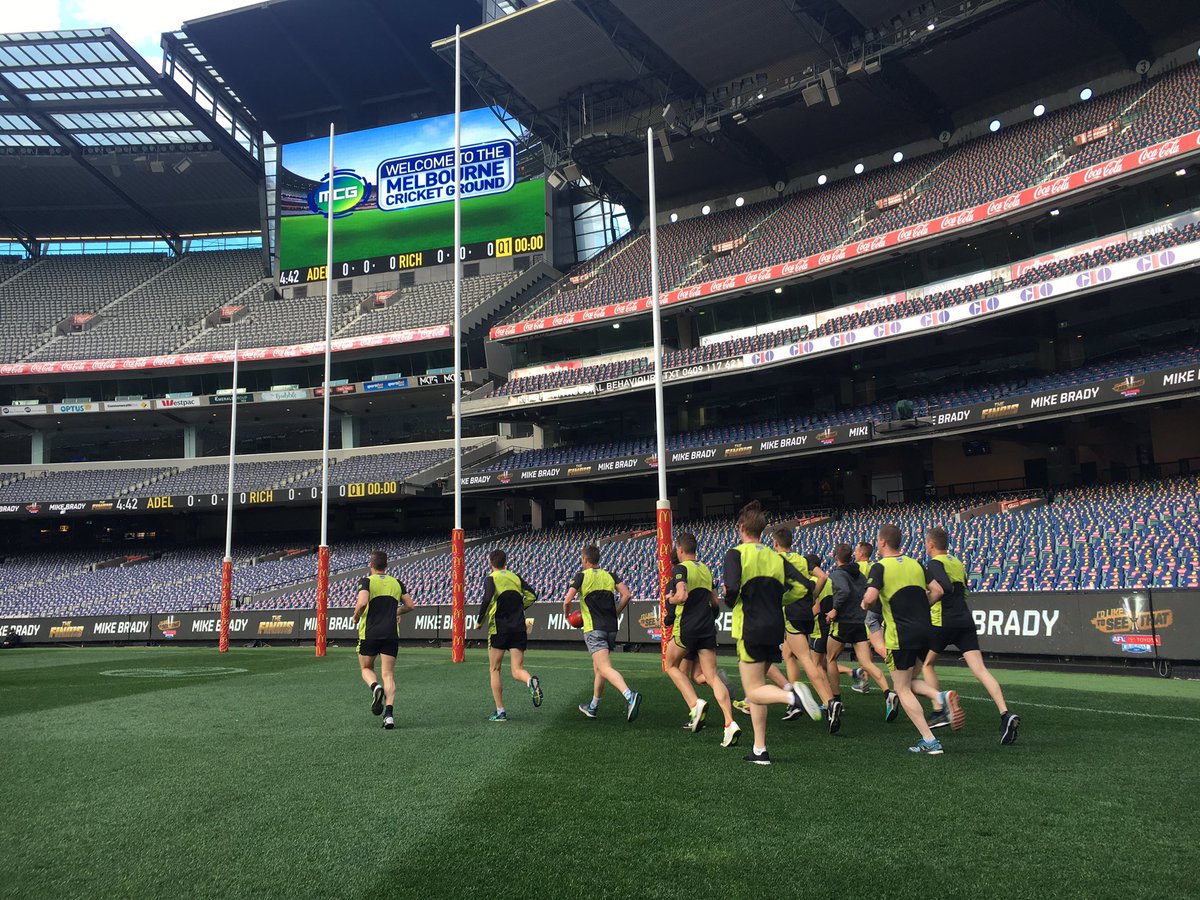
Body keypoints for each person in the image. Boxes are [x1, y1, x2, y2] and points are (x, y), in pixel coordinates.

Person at [725, 501, 811, 764]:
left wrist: (732, 601)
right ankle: (760, 749)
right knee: (758, 688)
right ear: (761, 531)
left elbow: (731, 589)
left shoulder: (736, 554)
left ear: (741, 527)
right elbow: (803, 587)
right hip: (775, 628)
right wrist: (778, 601)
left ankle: (792, 696)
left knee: (752, 692)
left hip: (750, 626)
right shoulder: (777, 558)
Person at [921, 527, 1020, 744]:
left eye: (926, 543)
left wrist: (925, 601)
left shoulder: (934, 563)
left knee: (927, 664)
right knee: (980, 669)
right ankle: (1005, 713)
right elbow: (964, 589)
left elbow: (943, 588)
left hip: (944, 620)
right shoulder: (956, 562)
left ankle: (939, 709)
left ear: (931, 544)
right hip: (964, 618)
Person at [861, 524, 947, 755]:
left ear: (882, 542)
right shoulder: (915, 563)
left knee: (901, 688)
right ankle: (939, 696)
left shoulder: (880, 567)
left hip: (901, 635)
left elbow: (870, 597)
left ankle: (929, 739)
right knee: (908, 682)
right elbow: (938, 591)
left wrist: (865, 603)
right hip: (925, 631)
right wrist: (921, 607)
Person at [664, 532, 741, 748]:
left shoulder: (681, 569)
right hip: (707, 628)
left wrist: (671, 599)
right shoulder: (706, 569)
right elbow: (715, 603)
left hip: (688, 627)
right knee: (711, 676)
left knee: (670, 665)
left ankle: (694, 703)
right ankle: (729, 722)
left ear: (680, 550)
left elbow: (682, 596)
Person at [565, 544, 641, 722]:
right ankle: (593, 706)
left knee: (605, 667)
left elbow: (567, 600)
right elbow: (627, 595)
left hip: (594, 628)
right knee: (599, 668)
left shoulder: (582, 576)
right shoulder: (610, 575)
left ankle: (630, 696)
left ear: (585, 559)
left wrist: (567, 616)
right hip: (611, 628)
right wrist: (617, 612)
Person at [773, 529, 838, 732]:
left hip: (790, 612)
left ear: (775, 543)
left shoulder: (776, 560)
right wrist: (813, 596)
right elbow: (823, 576)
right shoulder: (802, 559)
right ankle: (795, 701)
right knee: (788, 654)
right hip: (805, 612)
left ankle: (829, 702)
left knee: (806, 659)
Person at [824, 542, 894, 718]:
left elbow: (844, 591)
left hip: (843, 622)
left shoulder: (838, 573)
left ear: (836, 557)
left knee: (830, 659)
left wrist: (835, 610)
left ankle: (836, 699)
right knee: (867, 663)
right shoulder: (860, 575)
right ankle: (888, 693)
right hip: (859, 621)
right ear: (851, 557)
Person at [475, 548, 542, 722]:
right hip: (519, 627)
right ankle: (530, 681)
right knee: (517, 670)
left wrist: (480, 620)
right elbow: (532, 596)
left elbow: (487, 598)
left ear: (491, 563)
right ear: (506, 562)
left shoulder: (491, 578)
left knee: (494, 669)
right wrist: (519, 608)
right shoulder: (516, 577)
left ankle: (501, 712)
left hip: (499, 628)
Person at [351, 550, 415, 730]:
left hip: (370, 633)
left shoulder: (366, 581)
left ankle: (375, 687)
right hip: (391, 634)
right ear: (386, 565)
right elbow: (410, 605)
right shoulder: (397, 583)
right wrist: (396, 612)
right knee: (388, 675)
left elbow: (362, 602)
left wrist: (356, 616)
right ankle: (389, 716)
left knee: (366, 668)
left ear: (371, 565)